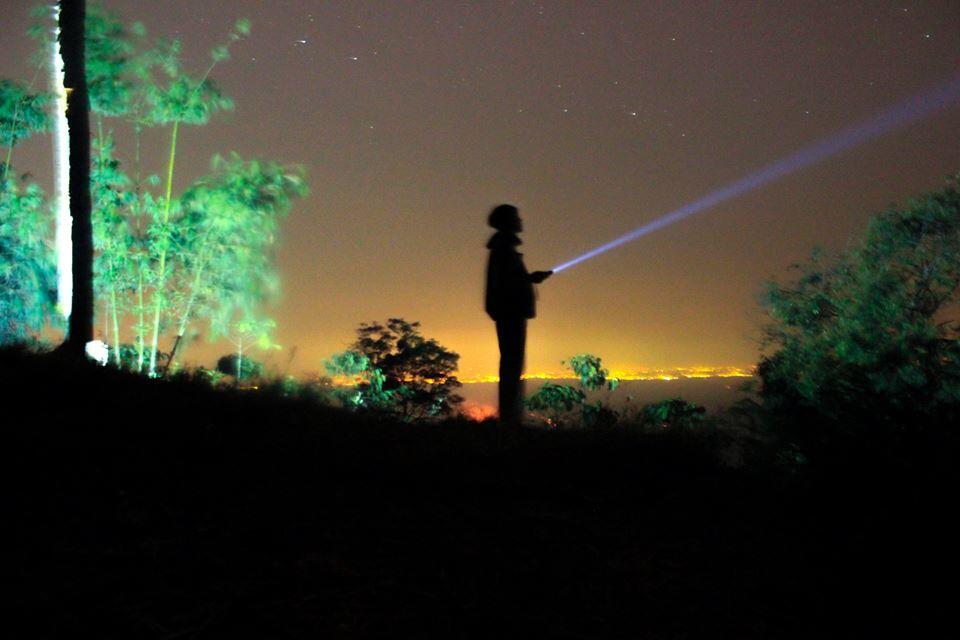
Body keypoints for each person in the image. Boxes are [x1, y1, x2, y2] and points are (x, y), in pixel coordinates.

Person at [484, 204, 552, 424]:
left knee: (511, 365)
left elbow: (507, 280)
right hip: (511, 313)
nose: (520, 220)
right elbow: (506, 283)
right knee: (512, 366)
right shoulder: (504, 249)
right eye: (516, 217)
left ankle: (511, 418)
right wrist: (528, 280)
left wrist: (529, 279)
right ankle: (510, 420)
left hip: (508, 312)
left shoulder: (503, 248)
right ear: (507, 222)